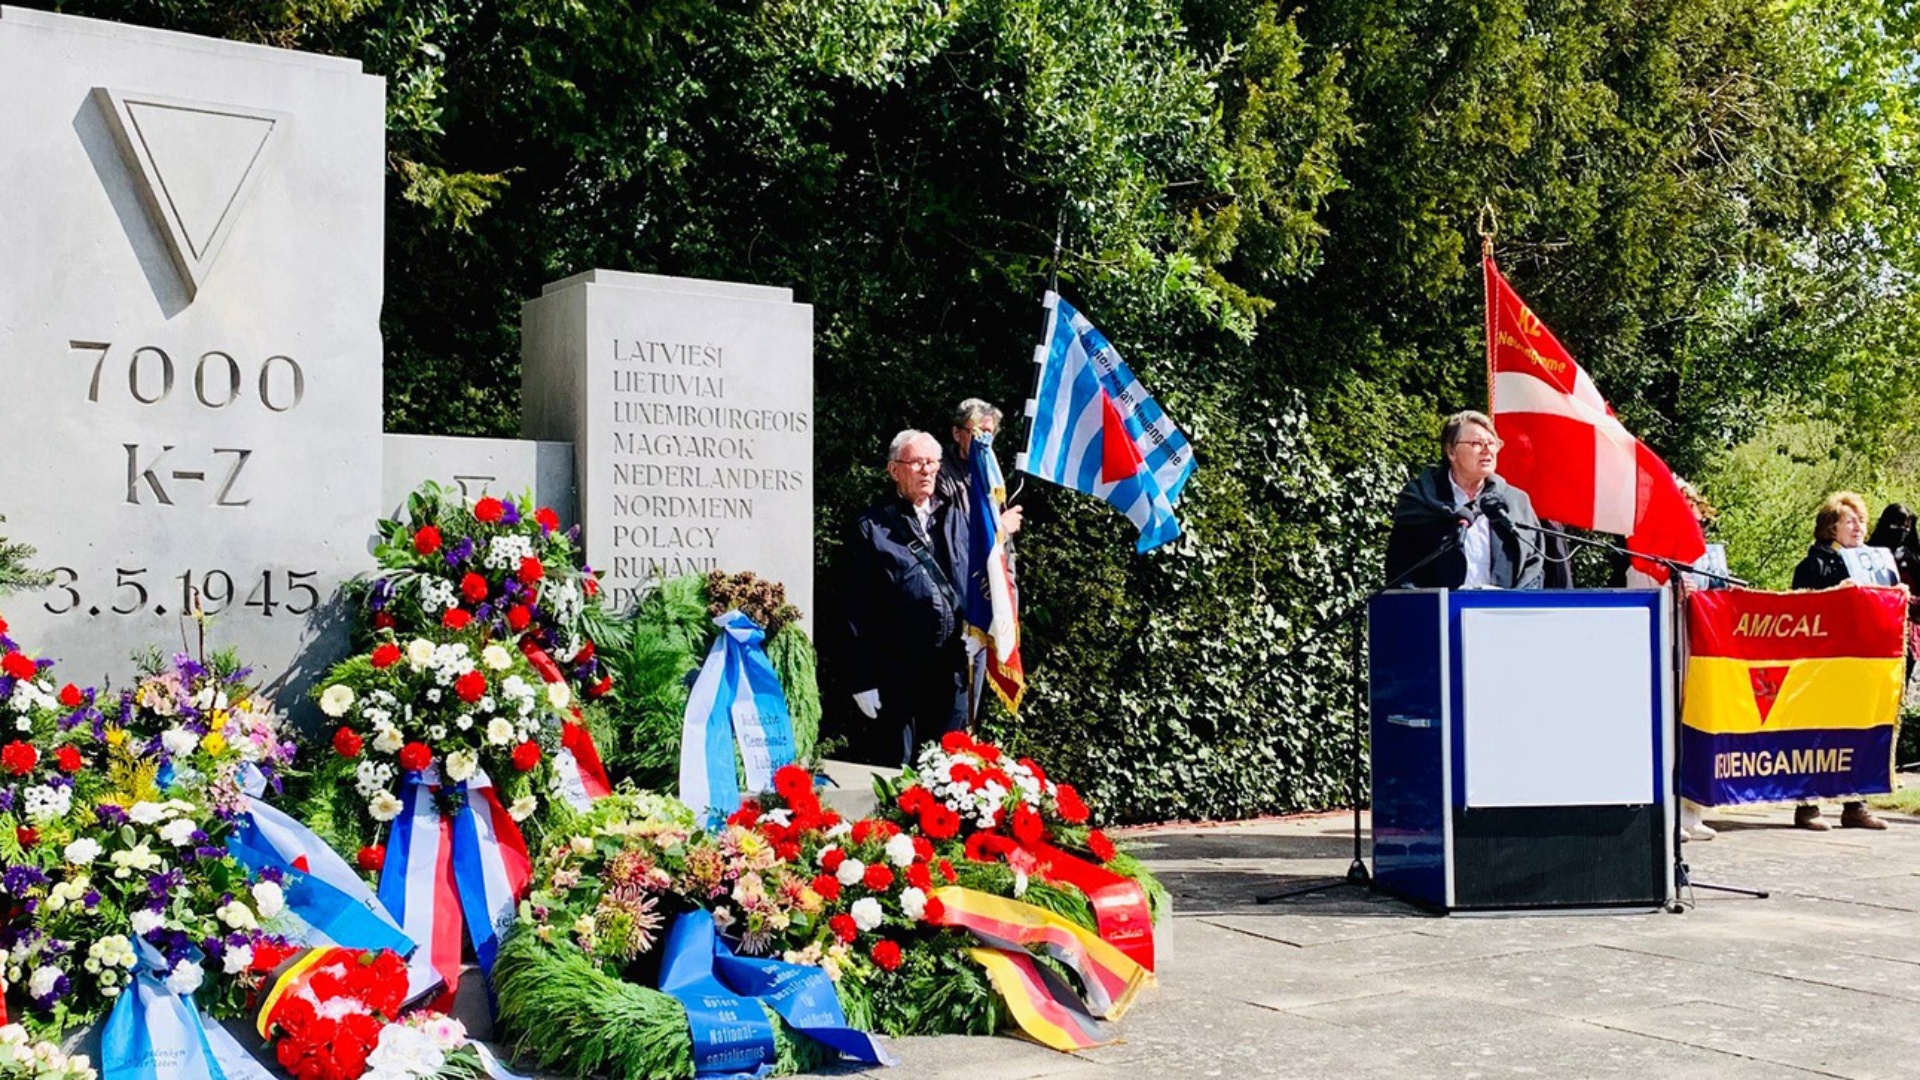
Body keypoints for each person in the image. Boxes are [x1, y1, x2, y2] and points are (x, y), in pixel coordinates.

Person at [845, 430, 972, 766]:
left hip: (952, 669)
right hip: (897, 674)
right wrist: (863, 679)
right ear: (894, 470)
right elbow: (856, 610)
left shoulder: (957, 519)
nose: (927, 470)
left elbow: (976, 581)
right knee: (896, 774)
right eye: (917, 462)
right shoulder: (871, 528)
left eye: (932, 462)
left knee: (952, 772)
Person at [1787, 491, 1892, 831]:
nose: (1859, 526)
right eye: (1850, 521)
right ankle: (1807, 807)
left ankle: (1855, 805)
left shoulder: (1875, 564)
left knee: (1858, 733)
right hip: (1822, 664)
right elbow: (1798, 613)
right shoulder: (1814, 564)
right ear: (1831, 528)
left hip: (1860, 664)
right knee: (1815, 735)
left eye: (1861, 520)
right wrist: (1835, 595)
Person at [1384, 410, 1545, 590]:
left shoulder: (1515, 501)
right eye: (1476, 443)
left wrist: (1516, 604)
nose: (1487, 450)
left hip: (1503, 613)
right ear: (1451, 452)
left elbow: (1534, 565)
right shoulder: (1421, 498)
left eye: (1492, 443)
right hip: (1440, 614)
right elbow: (1400, 568)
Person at [939, 398, 1023, 723]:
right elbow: (956, 534)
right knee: (952, 707)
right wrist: (999, 527)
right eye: (978, 433)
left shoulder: (993, 478)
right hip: (959, 605)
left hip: (992, 604)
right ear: (959, 434)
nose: (984, 441)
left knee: (973, 713)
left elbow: (1005, 556)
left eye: (990, 433)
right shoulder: (942, 474)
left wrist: (1009, 603)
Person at [1866, 503, 1919, 686]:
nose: (1901, 531)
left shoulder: (1914, 560)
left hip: (1907, 635)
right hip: (1875, 631)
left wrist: (1904, 599)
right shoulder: (1867, 556)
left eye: (1906, 527)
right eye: (1896, 526)